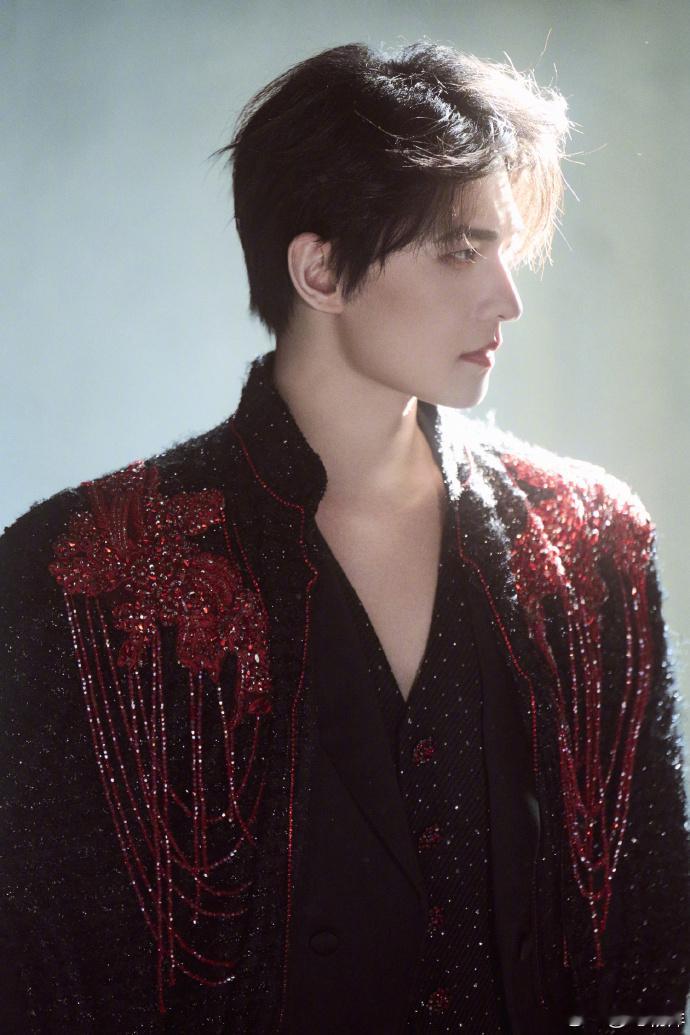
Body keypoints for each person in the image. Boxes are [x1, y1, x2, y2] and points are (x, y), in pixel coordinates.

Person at [1, 40, 688, 1035]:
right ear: (320, 269)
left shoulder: (590, 543)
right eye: (460, 250)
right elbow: (43, 976)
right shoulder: (80, 570)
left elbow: (648, 965)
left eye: (504, 249)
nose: (507, 296)